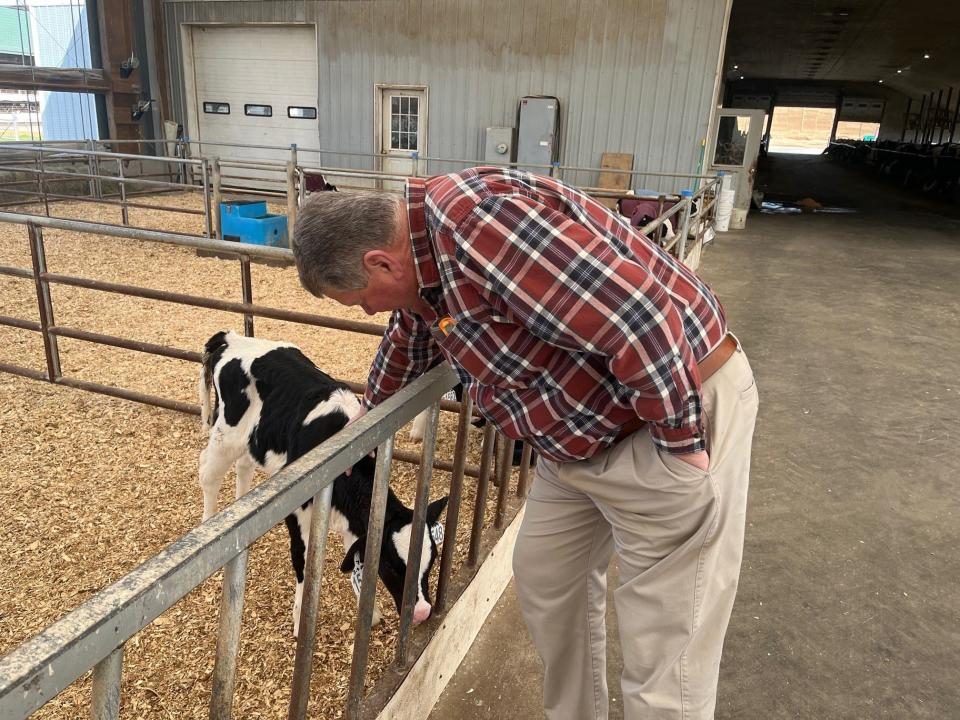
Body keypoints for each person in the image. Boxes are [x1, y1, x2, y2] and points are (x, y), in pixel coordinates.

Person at [292, 166, 759, 720]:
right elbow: (413, 330)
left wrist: (683, 448)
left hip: (660, 413)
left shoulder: (476, 225)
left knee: (667, 642)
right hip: (581, 440)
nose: (370, 311)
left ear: (379, 262)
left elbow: (640, 319)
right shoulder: (422, 256)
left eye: (361, 299)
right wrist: (371, 414)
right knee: (547, 579)